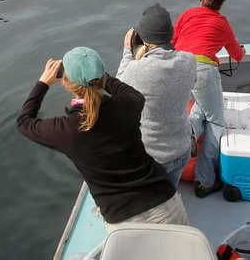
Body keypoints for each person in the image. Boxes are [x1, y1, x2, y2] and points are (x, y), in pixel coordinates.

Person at [17, 46, 188, 231]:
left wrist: (43, 83)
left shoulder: (67, 130)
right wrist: (100, 76)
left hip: (125, 223)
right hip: (167, 205)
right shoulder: (130, 104)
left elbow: (24, 122)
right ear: (102, 76)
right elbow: (129, 92)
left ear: (66, 83)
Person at [172, 0, 245, 198]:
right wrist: (241, 51)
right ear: (219, 5)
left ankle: (190, 132)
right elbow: (237, 55)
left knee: (200, 111)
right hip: (203, 70)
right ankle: (204, 182)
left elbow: (174, 42)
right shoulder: (221, 22)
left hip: (179, 66)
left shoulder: (187, 14)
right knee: (216, 122)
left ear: (201, 1)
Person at [116, 4, 197, 187]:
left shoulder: (136, 70)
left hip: (151, 158)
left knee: (150, 205)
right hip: (181, 150)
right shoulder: (189, 60)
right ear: (170, 33)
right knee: (169, 194)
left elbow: (118, 91)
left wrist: (127, 52)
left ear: (143, 38)